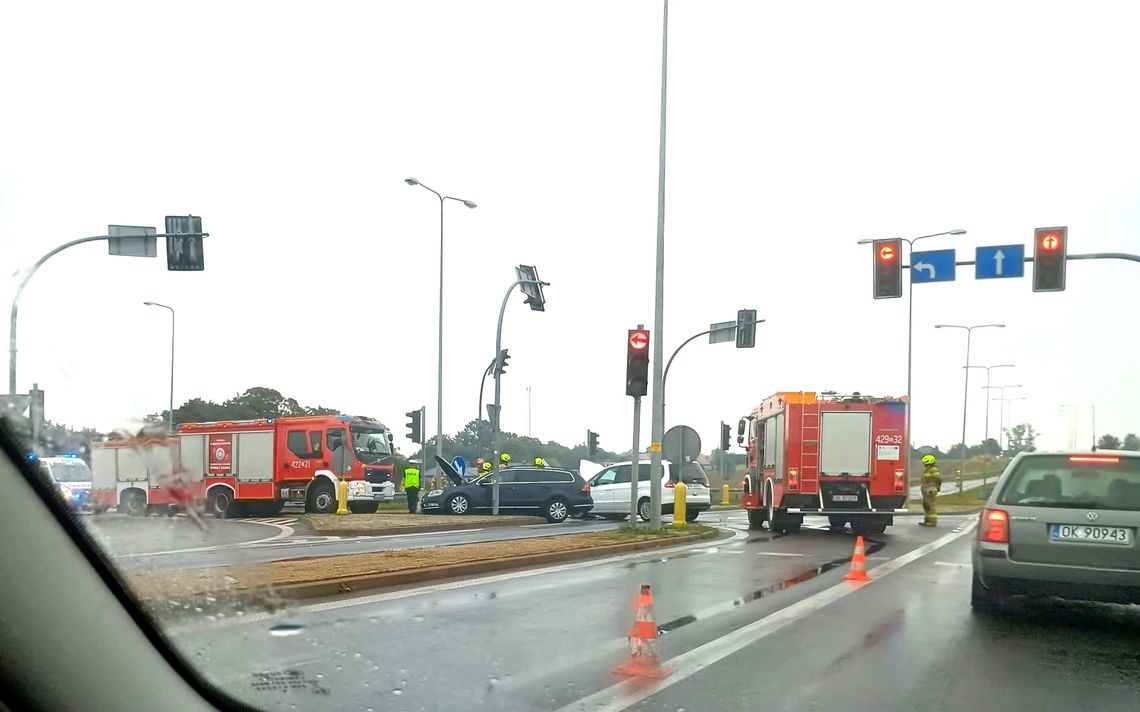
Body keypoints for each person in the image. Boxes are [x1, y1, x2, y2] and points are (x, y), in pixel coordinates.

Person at [919, 454, 941, 527]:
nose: (923, 463)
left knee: (931, 506)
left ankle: (932, 522)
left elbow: (938, 479)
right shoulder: (927, 470)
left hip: (931, 490)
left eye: (924, 462)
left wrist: (937, 487)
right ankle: (927, 520)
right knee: (926, 505)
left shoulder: (933, 470)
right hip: (926, 490)